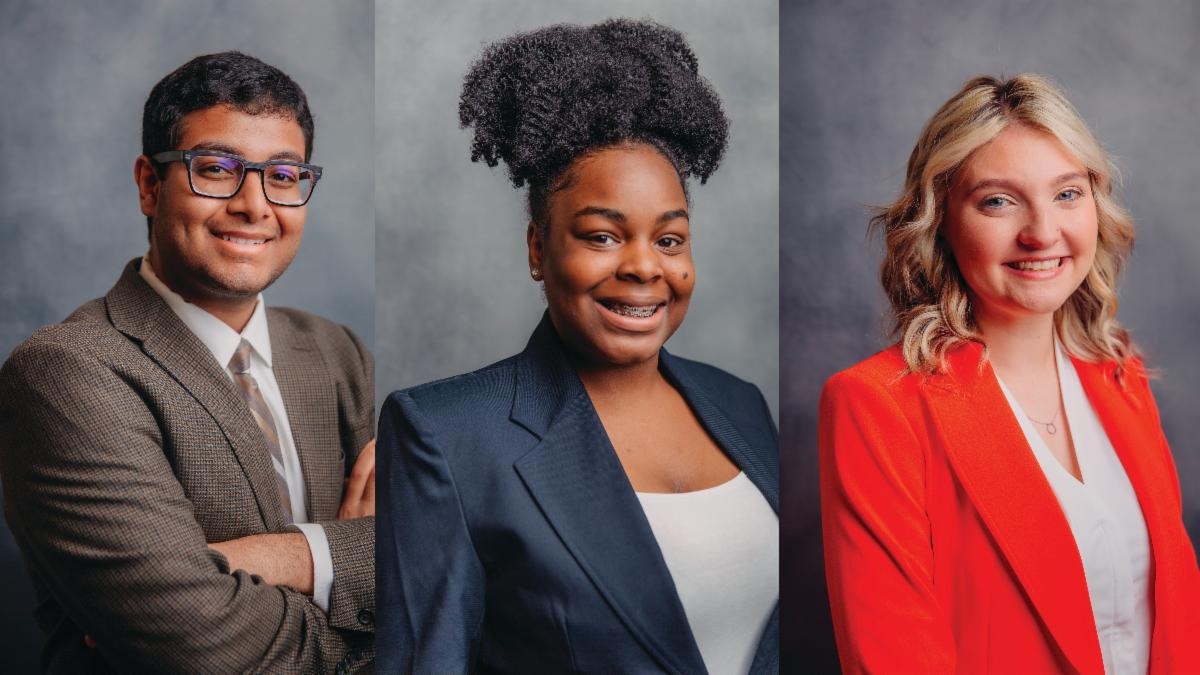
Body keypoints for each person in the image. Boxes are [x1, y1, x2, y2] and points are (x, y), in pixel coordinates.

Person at [377, 19, 779, 674]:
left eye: (669, 239)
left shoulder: (742, 405)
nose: (644, 266)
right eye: (602, 236)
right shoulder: (447, 435)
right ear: (538, 248)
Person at [0, 51, 376, 673]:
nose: (255, 205)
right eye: (217, 169)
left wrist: (285, 557)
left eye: (284, 175)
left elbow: (438, 565)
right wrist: (360, 570)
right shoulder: (64, 372)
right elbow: (200, 650)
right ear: (150, 185)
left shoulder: (340, 354)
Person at [820, 74, 1200, 674]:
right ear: (939, 220)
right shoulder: (875, 406)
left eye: (1067, 194)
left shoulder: (1121, 377)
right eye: (998, 201)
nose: (1042, 232)